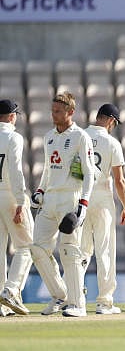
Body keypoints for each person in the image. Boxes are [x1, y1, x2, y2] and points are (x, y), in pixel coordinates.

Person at [29, 91, 95, 317]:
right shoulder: (48, 136)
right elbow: (47, 170)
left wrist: (83, 205)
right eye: (52, 110)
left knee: (69, 251)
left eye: (58, 111)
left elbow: (89, 173)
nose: (53, 114)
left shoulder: (80, 136)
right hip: (50, 201)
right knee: (37, 248)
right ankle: (60, 295)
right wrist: (40, 190)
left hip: (70, 198)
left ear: (70, 112)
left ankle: (78, 305)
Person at [81, 103, 125, 314]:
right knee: (105, 251)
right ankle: (104, 302)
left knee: (79, 251)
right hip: (102, 198)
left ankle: (75, 299)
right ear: (111, 120)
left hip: (80, 197)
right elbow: (119, 180)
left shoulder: (79, 136)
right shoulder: (111, 143)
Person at [0, 100, 34, 316]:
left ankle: (2, 303)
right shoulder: (13, 137)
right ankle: (11, 290)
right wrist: (21, 201)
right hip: (9, 195)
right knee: (27, 246)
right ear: (12, 116)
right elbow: (15, 170)